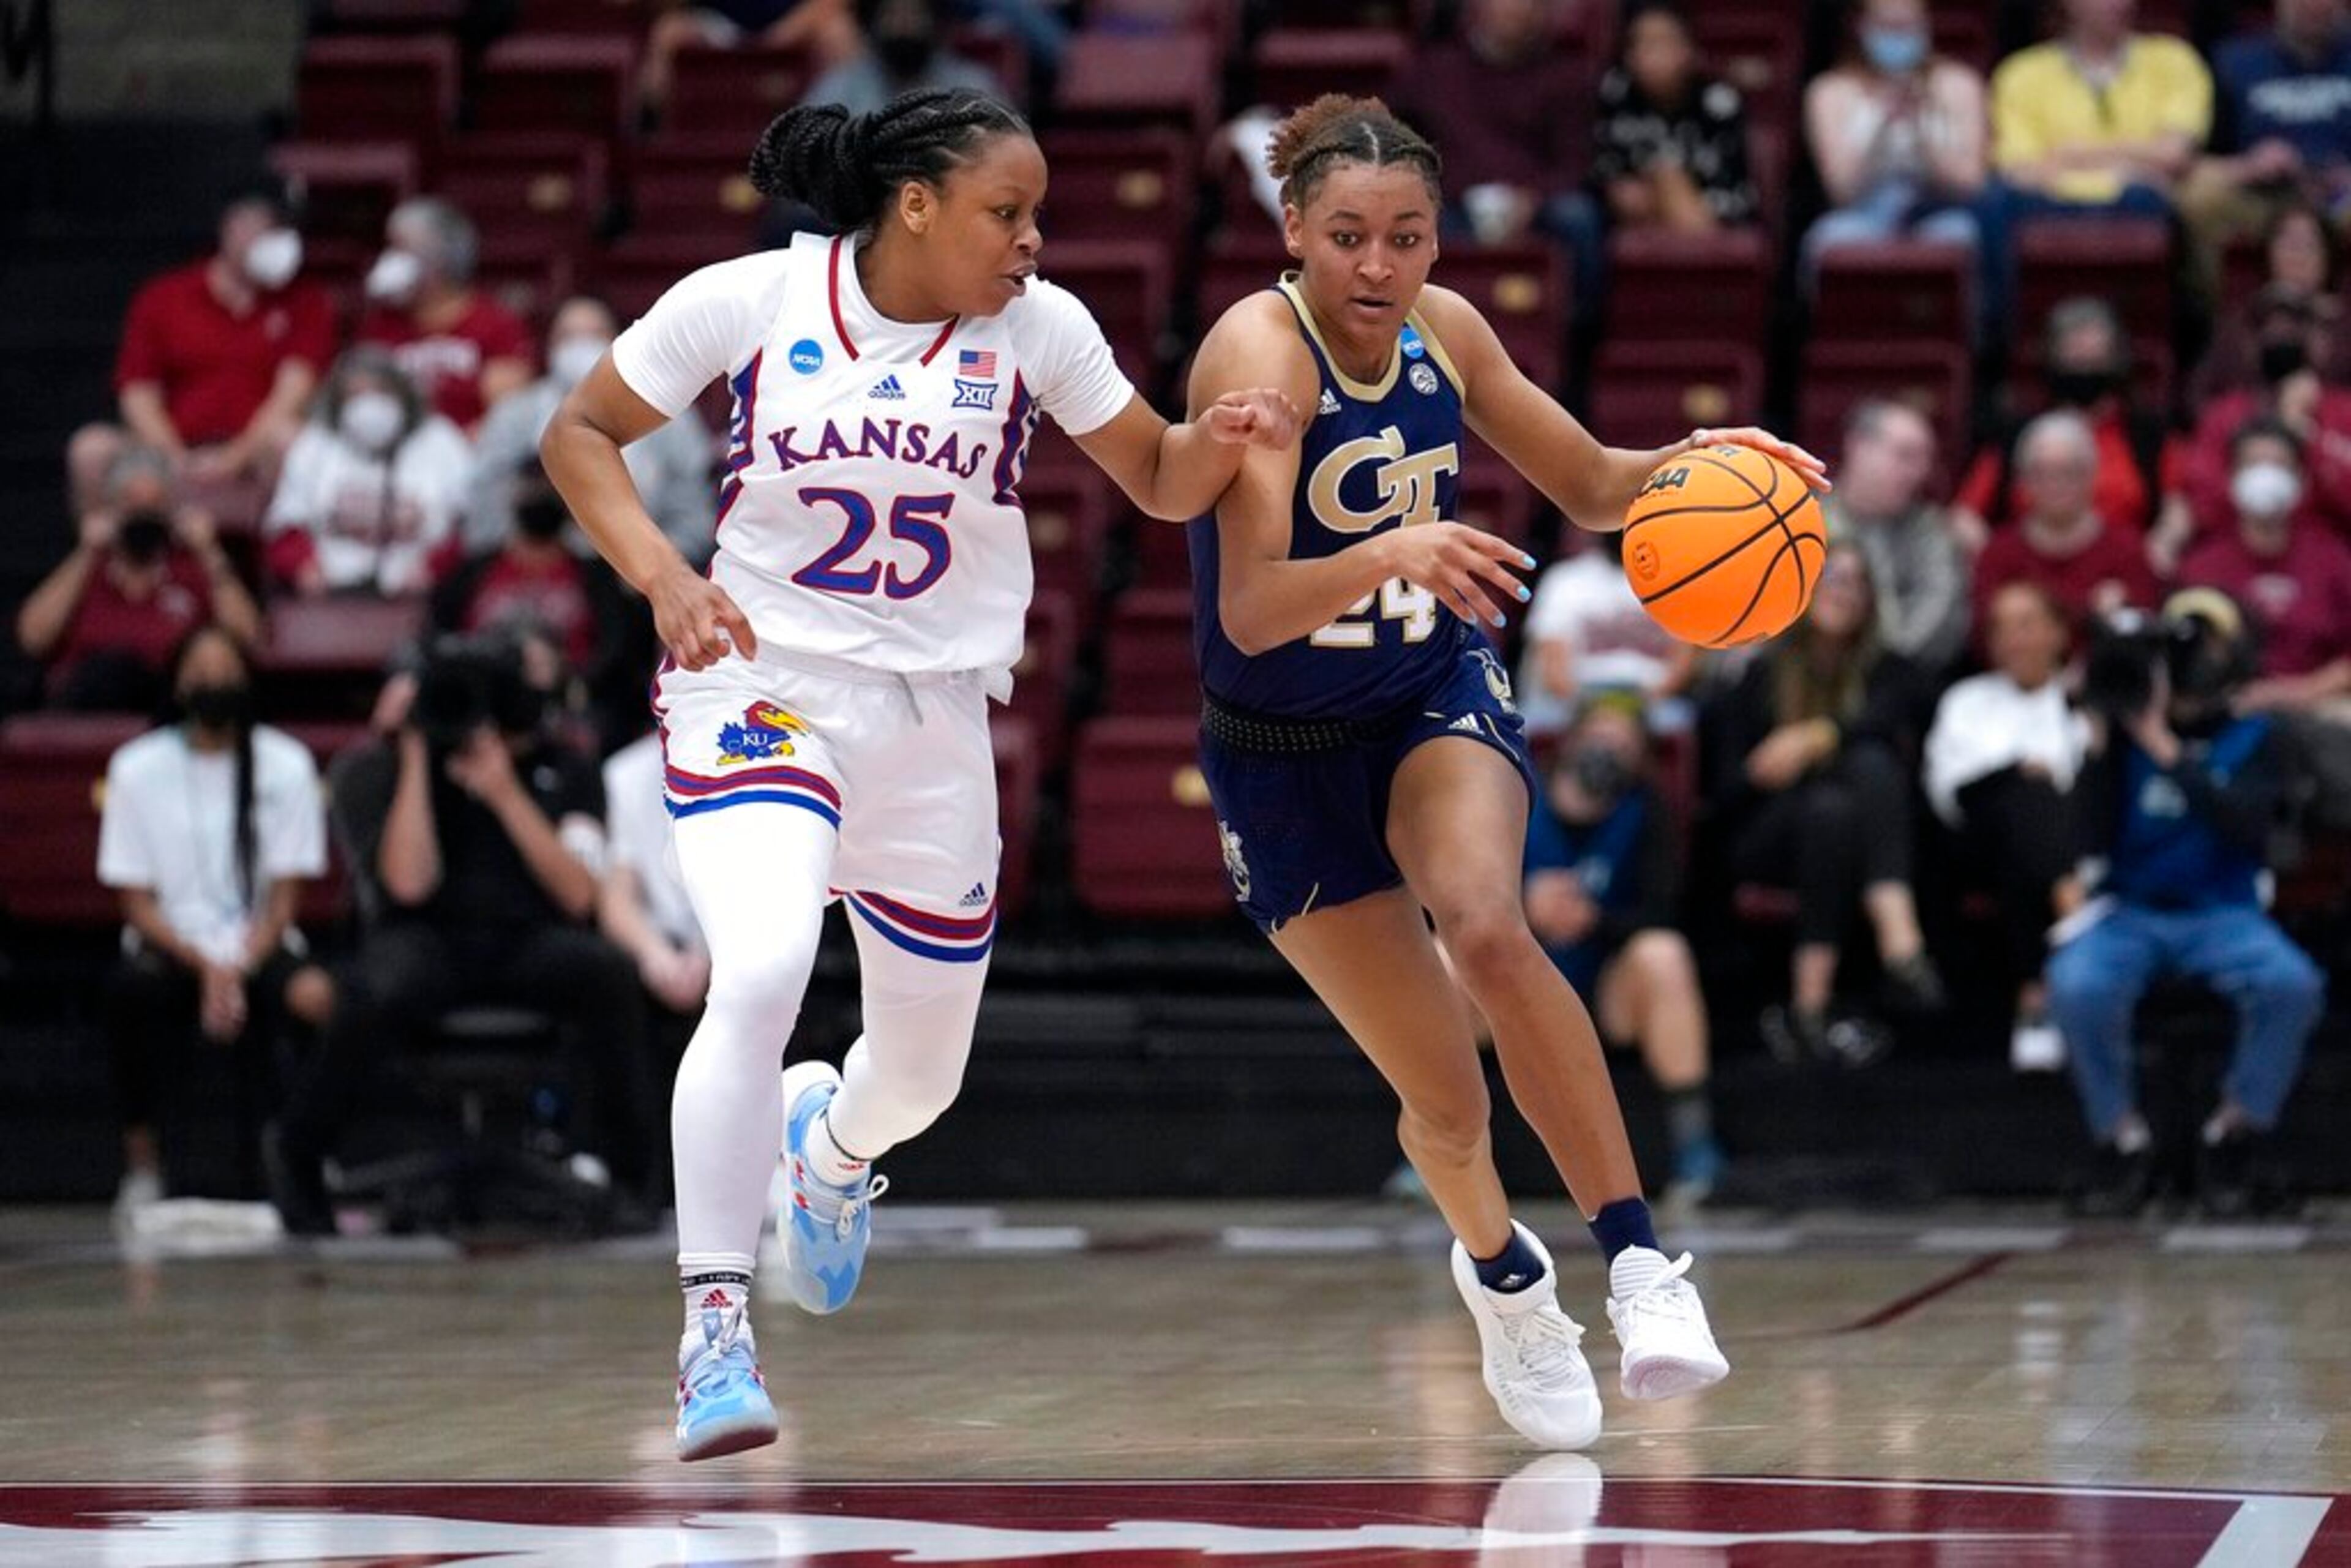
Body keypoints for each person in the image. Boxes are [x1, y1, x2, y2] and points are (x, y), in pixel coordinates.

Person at [538, 87, 1298, 1461]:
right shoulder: (754, 297)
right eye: (1009, 213)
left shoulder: (1040, 328)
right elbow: (577, 434)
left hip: (936, 720)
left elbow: (1158, 477)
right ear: (916, 204)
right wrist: (663, 577)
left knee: (923, 1083)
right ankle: (714, 1330)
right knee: (761, 970)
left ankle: (828, 1150)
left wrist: (1224, 441)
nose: (1034, 239)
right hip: (761, 684)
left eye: (1039, 215)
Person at [1185, 93, 1798, 1453]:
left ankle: (1640, 1268)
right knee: (1447, 1109)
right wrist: (1393, 550)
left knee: (1489, 929)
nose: (1379, 264)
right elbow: (1253, 607)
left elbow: (1591, 485)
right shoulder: (1257, 352)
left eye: (1407, 236)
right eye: (1349, 235)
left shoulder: (1450, 332)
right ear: (1295, 234)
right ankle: (1508, 1279)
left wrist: (1702, 468)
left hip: (1425, 693)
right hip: (1280, 753)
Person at [268, 639, 659, 1237]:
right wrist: (417, 751)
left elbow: (579, 896)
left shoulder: (566, 767)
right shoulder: (394, 766)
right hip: (426, 938)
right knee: (376, 989)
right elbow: (408, 883)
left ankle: (634, 1179)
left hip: (527, 939)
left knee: (608, 971)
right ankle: (299, 1155)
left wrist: (503, 790)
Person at [2047, 588, 2326, 1217]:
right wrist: (2099, 744)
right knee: (2077, 983)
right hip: (2132, 910)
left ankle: (2235, 1129)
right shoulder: (2121, 737)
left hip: (2223, 909)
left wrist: (2165, 748)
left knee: (2291, 984)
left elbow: (2252, 827)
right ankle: (2122, 1138)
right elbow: (2085, 837)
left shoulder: (2258, 735)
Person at [96, 625, 334, 1211]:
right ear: (177, 684)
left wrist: (239, 965)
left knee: (318, 998)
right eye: (199, 671)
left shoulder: (285, 763)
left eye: (225, 670)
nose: (213, 682)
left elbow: (285, 900)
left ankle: (309, 1154)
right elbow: (136, 903)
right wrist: (206, 966)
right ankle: (143, 1164)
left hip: (260, 941)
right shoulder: (136, 767)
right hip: (171, 944)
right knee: (129, 993)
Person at [1700, 546, 1940, 1069]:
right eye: (1830, 576)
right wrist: (1764, 768)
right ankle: (1899, 936)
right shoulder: (1758, 671)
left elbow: (1897, 714)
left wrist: (1817, 738)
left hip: (1849, 833)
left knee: (1841, 797)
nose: (1842, 589)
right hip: (1766, 833)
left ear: (1871, 601)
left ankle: (1811, 1003)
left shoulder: (1889, 670)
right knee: (1854, 776)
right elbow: (1723, 793)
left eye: (1856, 581)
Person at [1523, 704, 1725, 1209]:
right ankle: (1430, 1147)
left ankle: (1694, 1143)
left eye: (1624, 745)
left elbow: (1664, 911)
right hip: (1519, 979)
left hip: (1605, 983)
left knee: (1664, 954)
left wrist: (1593, 919)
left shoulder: (1647, 809)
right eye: (1599, 736)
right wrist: (1524, 907)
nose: (1608, 752)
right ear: (1570, 740)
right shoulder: (1518, 794)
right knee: (1444, 957)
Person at [69, 188, 331, 511]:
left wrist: (234, 457)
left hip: (254, 451)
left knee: (290, 438)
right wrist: (173, 457)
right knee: (91, 449)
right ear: (231, 230)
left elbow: (293, 394)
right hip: (171, 449)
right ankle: (102, 544)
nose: (278, 243)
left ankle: (291, 542)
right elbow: (138, 392)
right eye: (265, 231)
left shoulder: (305, 302)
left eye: (281, 232)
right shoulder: (165, 296)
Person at [1923, 580, 2090, 1071]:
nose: (2014, 640)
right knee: (2024, 799)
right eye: (2001, 629)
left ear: (2059, 633)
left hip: (2063, 844)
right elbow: (1948, 789)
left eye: (2027, 625)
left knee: (2033, 833)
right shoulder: (1966, 699)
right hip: (1971, 840)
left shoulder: (2083, 704)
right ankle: (2077, 926)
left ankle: (2035, 997)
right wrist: (2021, 772)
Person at [467, 296, 715, 561]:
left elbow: (694, 503)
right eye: (568, 337)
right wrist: (524, 551)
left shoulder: (669, 412)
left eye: (595, 334)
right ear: (550, 347)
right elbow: (485, 501)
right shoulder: (516, 413)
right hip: (541, 567)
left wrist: (663, 563)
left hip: (644, 567)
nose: (581, 347)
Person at [16, 446, 261, 711]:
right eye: (131, 503)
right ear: (112, 510)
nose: (143, 513)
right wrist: (85, 553)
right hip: (84, 710)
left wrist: (209, 551)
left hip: (166, 711)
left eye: (155, 504)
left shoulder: (193, 569)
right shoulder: (87, 569)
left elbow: (248, 637)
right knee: (110, 672)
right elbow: (33, 638)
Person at [1950, 296, 2186, 550]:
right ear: (2053, 362)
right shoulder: (2015, 436)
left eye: (2096, 361)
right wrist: (1999, 560)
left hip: (2123, 566)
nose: (2085, 371)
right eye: (2075, 361)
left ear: (2117, 362)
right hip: (2032, 568)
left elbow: (2180, 509)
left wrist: (2155, 553)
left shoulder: (2150, 436)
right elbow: (1964, 516)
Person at [263, 348, 474, 598]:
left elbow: (469, 525)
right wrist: (304, 567)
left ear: (402, 393)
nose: (369, 404)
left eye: (380, 391)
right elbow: (285, 526)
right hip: (331, 594)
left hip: (423, 595)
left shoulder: (441, 439)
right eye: (356, 394)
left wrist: (435, 568)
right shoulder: (315, 442)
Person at [1801, 0, 1989, 276]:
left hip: (1937, 210)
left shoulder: (1958, 85)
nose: (1898, 36)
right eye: (1888, 27)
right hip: (1861, 214)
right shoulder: (1830, 91)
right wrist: (1880, 129)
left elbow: (1972, 183)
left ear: (1925, 25)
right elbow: (1840, 192)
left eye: (1907, 26)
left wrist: (1920, 131)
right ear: (1861, 27)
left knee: (1963, 234)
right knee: (1830, 239)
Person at [2180, 418, 2351, 711]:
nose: (2266, 476)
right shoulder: (2201, 566)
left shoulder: (2332, 559)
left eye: (2278, 465)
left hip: (2319, 705)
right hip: (2226, 708)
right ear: (2232, 476)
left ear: (2301, 479)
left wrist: (2300, 692)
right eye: (2254, 464)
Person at [2181, 0, 2351, 293]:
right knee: (2198, 197)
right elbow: (2200, 159)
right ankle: (2213, 314)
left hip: (2341, 199)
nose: (2314, 6)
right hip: (2265, 197)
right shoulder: (2235, 62)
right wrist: (2250, 166)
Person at [1987, 0, 2212, 221]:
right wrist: (2129, 170)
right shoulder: (2021, 74)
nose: (2119, 4)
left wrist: (2074, 155)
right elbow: (2020, 173)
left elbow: (2173, 155)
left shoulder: (2175, 60)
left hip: (2146, 206)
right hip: (2046, 208)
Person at [1973, 409, 2162, 636]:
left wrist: (2117, 616)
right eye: (2042, 473)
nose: (2055, 485)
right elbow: (1983, 635)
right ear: (2023, 480)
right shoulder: (1998, 554)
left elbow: (2147, 629)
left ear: (2091, 475)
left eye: (2069, 472)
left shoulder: (2127, 550)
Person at [354, 197, 534, 432]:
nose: (390, 260)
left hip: (471, 449)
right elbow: (357, 401)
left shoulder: (497, 324)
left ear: (439, 256)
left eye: (401, 248)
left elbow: (505, 415)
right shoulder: (379, 326)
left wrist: (451, 449)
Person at [1821, 399, 1971, 676]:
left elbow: (1938, 619)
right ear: (1857, 447)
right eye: (1906, 455)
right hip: (1805, 671)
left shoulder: (1931, 532)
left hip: (1894, 681)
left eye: (1925, 460)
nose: (1919, 473)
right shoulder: (1805, 516)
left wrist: (1874, 670)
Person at [1589, 1, 1760, 239]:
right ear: (1628, 56)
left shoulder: (1719, 102)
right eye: (1644, 44)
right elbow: (1608, 175)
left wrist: (1670, 190)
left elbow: (1735, 190)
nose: (1655, 56)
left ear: (1689, 50)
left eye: (1665, 42)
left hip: (1717, 213)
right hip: (1625, 220)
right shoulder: (1614, 95)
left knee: (1668, 178)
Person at [1515, 530, 1698, 743]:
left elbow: (1684, 663)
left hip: (1650, 697)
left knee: (1678, 719)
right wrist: (1598, 710)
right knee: (1534, 720)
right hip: (1580, 696)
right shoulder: (1566, 578)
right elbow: (1554, 671)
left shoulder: (1679, 578)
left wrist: (1630, 707)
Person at [2191, 202, 2351, 399]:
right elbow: (2202, 393)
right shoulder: (2242, 320)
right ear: (2268, 252)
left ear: (2329, 257)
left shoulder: (2344, 323)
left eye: (2309, 244)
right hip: (2252, 415)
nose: (2297, 254)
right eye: (2288, 243)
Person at [640, 0, 860, 119]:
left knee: (840, 33)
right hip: (723, 23)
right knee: (668, 32)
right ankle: (655, 143)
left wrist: (788, 30)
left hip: (795, 24)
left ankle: (844, 137)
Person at [799, 0, 1004, 118]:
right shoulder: (841, 86)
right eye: (893, 15)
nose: (904, 25)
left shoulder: (973, 85)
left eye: (915, 15)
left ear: (935, 22)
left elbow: (1002, 150)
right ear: (873, 23)